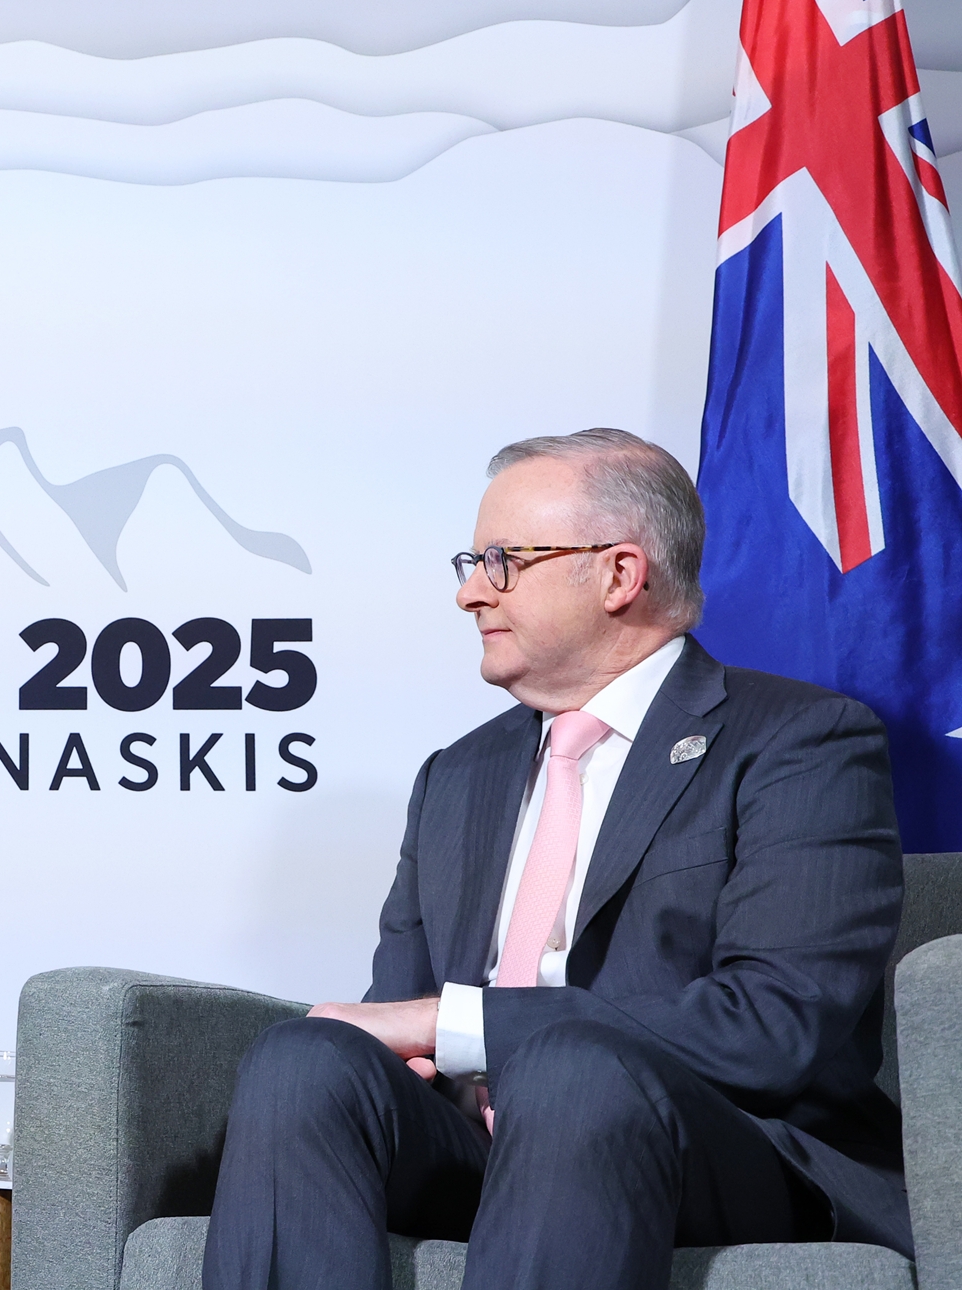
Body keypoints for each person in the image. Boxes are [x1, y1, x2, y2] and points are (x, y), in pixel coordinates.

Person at [202, 429, 908, 1290]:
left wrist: (452, 1026)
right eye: (470, 561)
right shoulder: (457, 776)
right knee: (301, 1061)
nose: (469, 593)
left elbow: (774, 1023)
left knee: (574, 1072)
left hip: (709, 1147)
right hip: (477, 1144)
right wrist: (415, 1039)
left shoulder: (800, 741)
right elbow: (401, 1013)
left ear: (619, 573)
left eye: (503, 560)